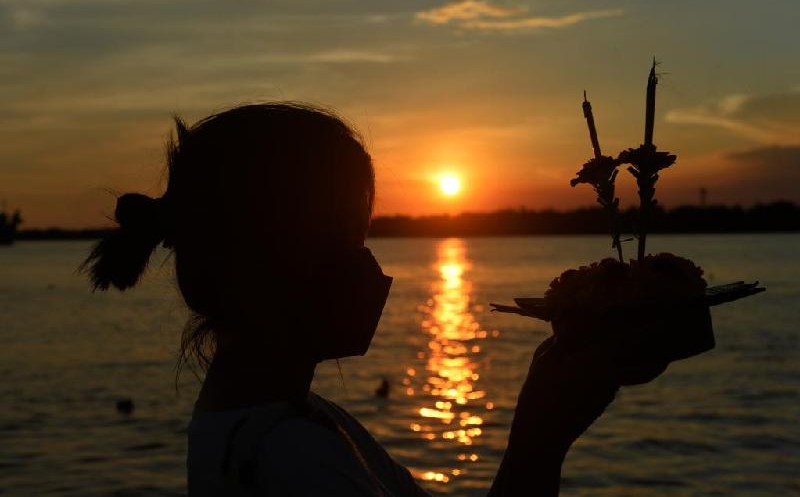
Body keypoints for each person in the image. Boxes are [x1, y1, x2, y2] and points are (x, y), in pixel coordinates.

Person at [82, 103, 664, 496]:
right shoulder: (294, 464)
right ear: (272, 262)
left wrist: (552, 387)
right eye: (347, 242)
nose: (371, 271)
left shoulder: (303, 422)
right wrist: (542, 439)